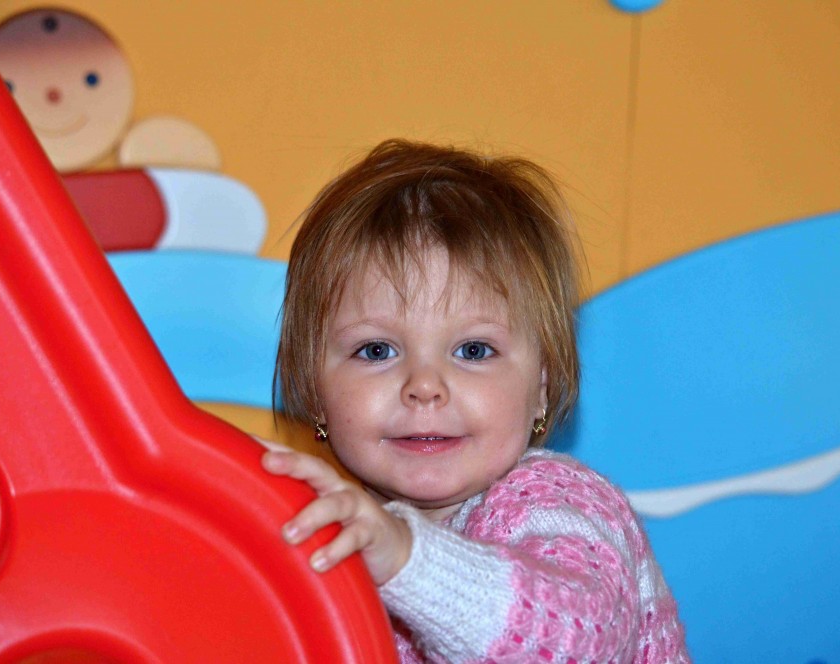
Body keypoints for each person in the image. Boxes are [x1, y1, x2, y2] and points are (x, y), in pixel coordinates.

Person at [259, 139, 689, 662]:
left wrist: (407, 559)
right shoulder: (331, 534)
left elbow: (578, 642)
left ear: (542, 386)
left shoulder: (557, 503)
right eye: (376, 350)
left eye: (473, 350)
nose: (424, 385)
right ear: (314, 392)